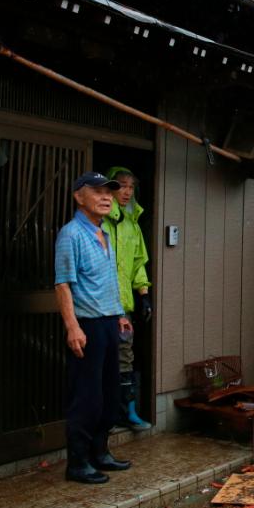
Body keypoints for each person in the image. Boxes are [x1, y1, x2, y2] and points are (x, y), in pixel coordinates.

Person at [54, 171, 133, 484]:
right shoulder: (71, 234)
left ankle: (100, 453)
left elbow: (106, 281)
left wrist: (120, 314)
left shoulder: (106, 233)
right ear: (78, 196)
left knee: (109, 394)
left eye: (108, 192)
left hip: (109, 321)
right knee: (86, 397)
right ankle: (77, 463)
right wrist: (72, 326)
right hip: (86, 325)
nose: (106, 197)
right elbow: (62, 284)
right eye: (98, 191)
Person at [102, 166, 153, 431]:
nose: (127, 192)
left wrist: (144, 295)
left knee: (125, 358)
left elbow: (138, 264)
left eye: (131, 187)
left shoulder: (133, 225)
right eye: (122, 185)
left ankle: (127, 412)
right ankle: (107, 415)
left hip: (124, 306)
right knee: (102, 359)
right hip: (100, 307)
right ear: (110, 187)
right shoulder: (100, 221)